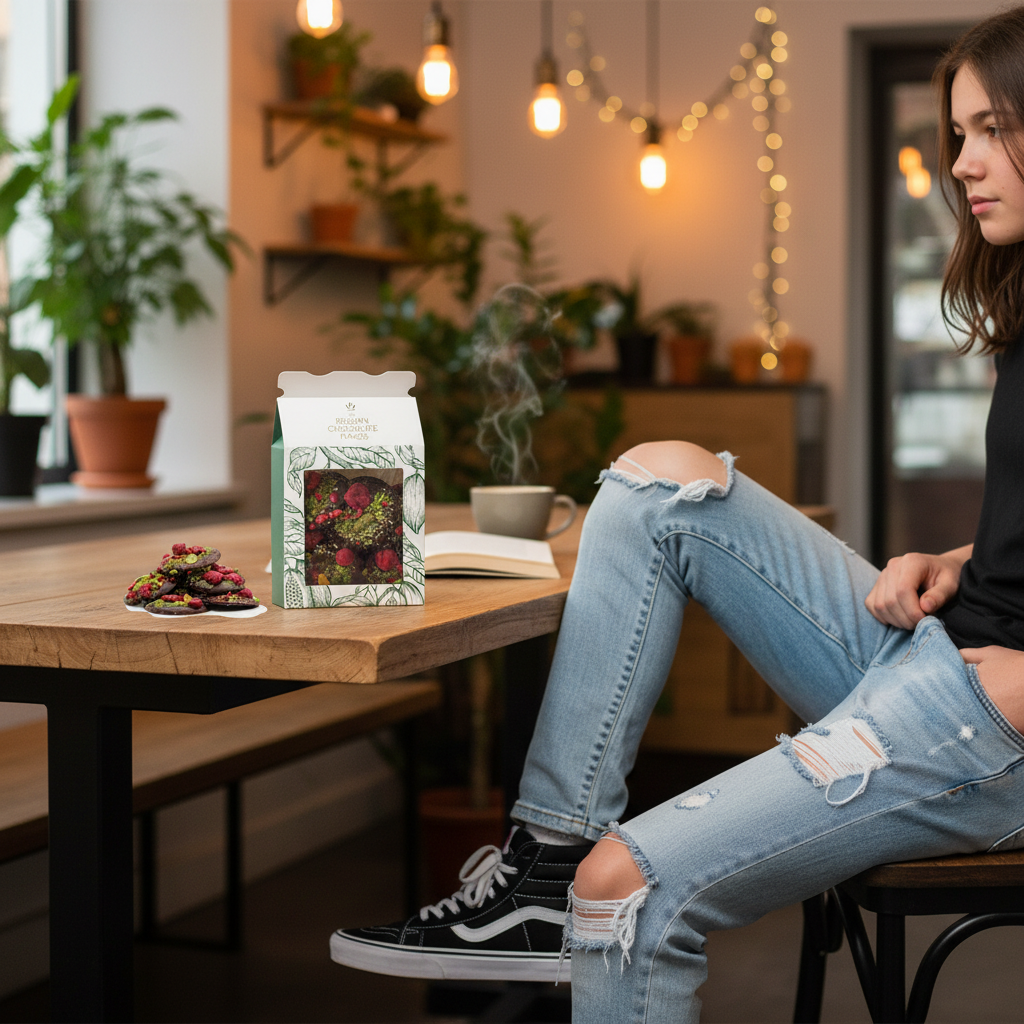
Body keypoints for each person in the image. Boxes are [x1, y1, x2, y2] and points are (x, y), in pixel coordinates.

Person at [331, 8, 1024, 1020]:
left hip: (992, 730)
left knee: (623, 892)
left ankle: (575, 894)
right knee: (658, 482)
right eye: (958, 132)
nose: (962, 162)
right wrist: (962, 556)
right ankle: (542, 861)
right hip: (938, 649)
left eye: (992, 128)